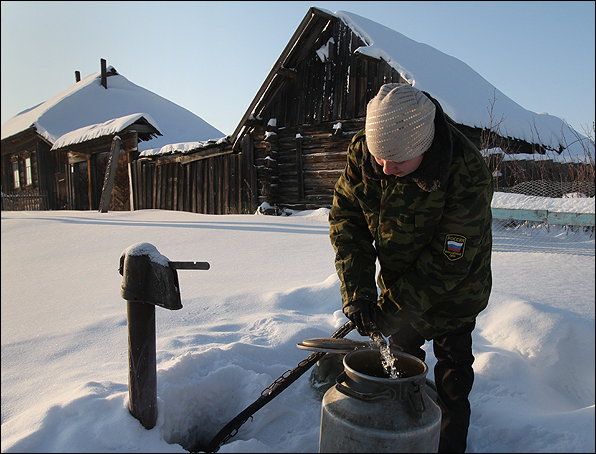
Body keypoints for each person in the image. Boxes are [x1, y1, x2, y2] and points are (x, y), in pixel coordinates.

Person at [328, 83, 493, 453]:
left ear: (423, 144)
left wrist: (388, 313)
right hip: (400, 283)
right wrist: (358, 292)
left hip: (457, 293)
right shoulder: (365, 154)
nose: (386, 168)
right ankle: (401, 437)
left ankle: (449, 443)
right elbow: (347, 220)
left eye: (398, 160)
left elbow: (449, 263)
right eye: (380, 158)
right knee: (399, 370)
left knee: (452, 380)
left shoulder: (467, 172)